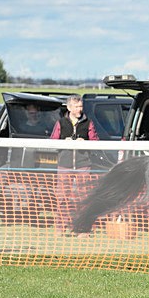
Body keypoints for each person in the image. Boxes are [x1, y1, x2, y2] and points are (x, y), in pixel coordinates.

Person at [50, 95, 99, 233]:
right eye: (77, 106)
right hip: (64, 165)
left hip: (83, 165)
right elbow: (52, 142)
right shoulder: (60, 123)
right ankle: (60, 228)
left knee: (84, 196)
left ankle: (83, 228)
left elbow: (96, 141)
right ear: (69, 107)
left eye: (81, 106)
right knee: (62, 197)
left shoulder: (89, 123)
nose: (80, 109)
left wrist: (86, 143)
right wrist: (63, 142)